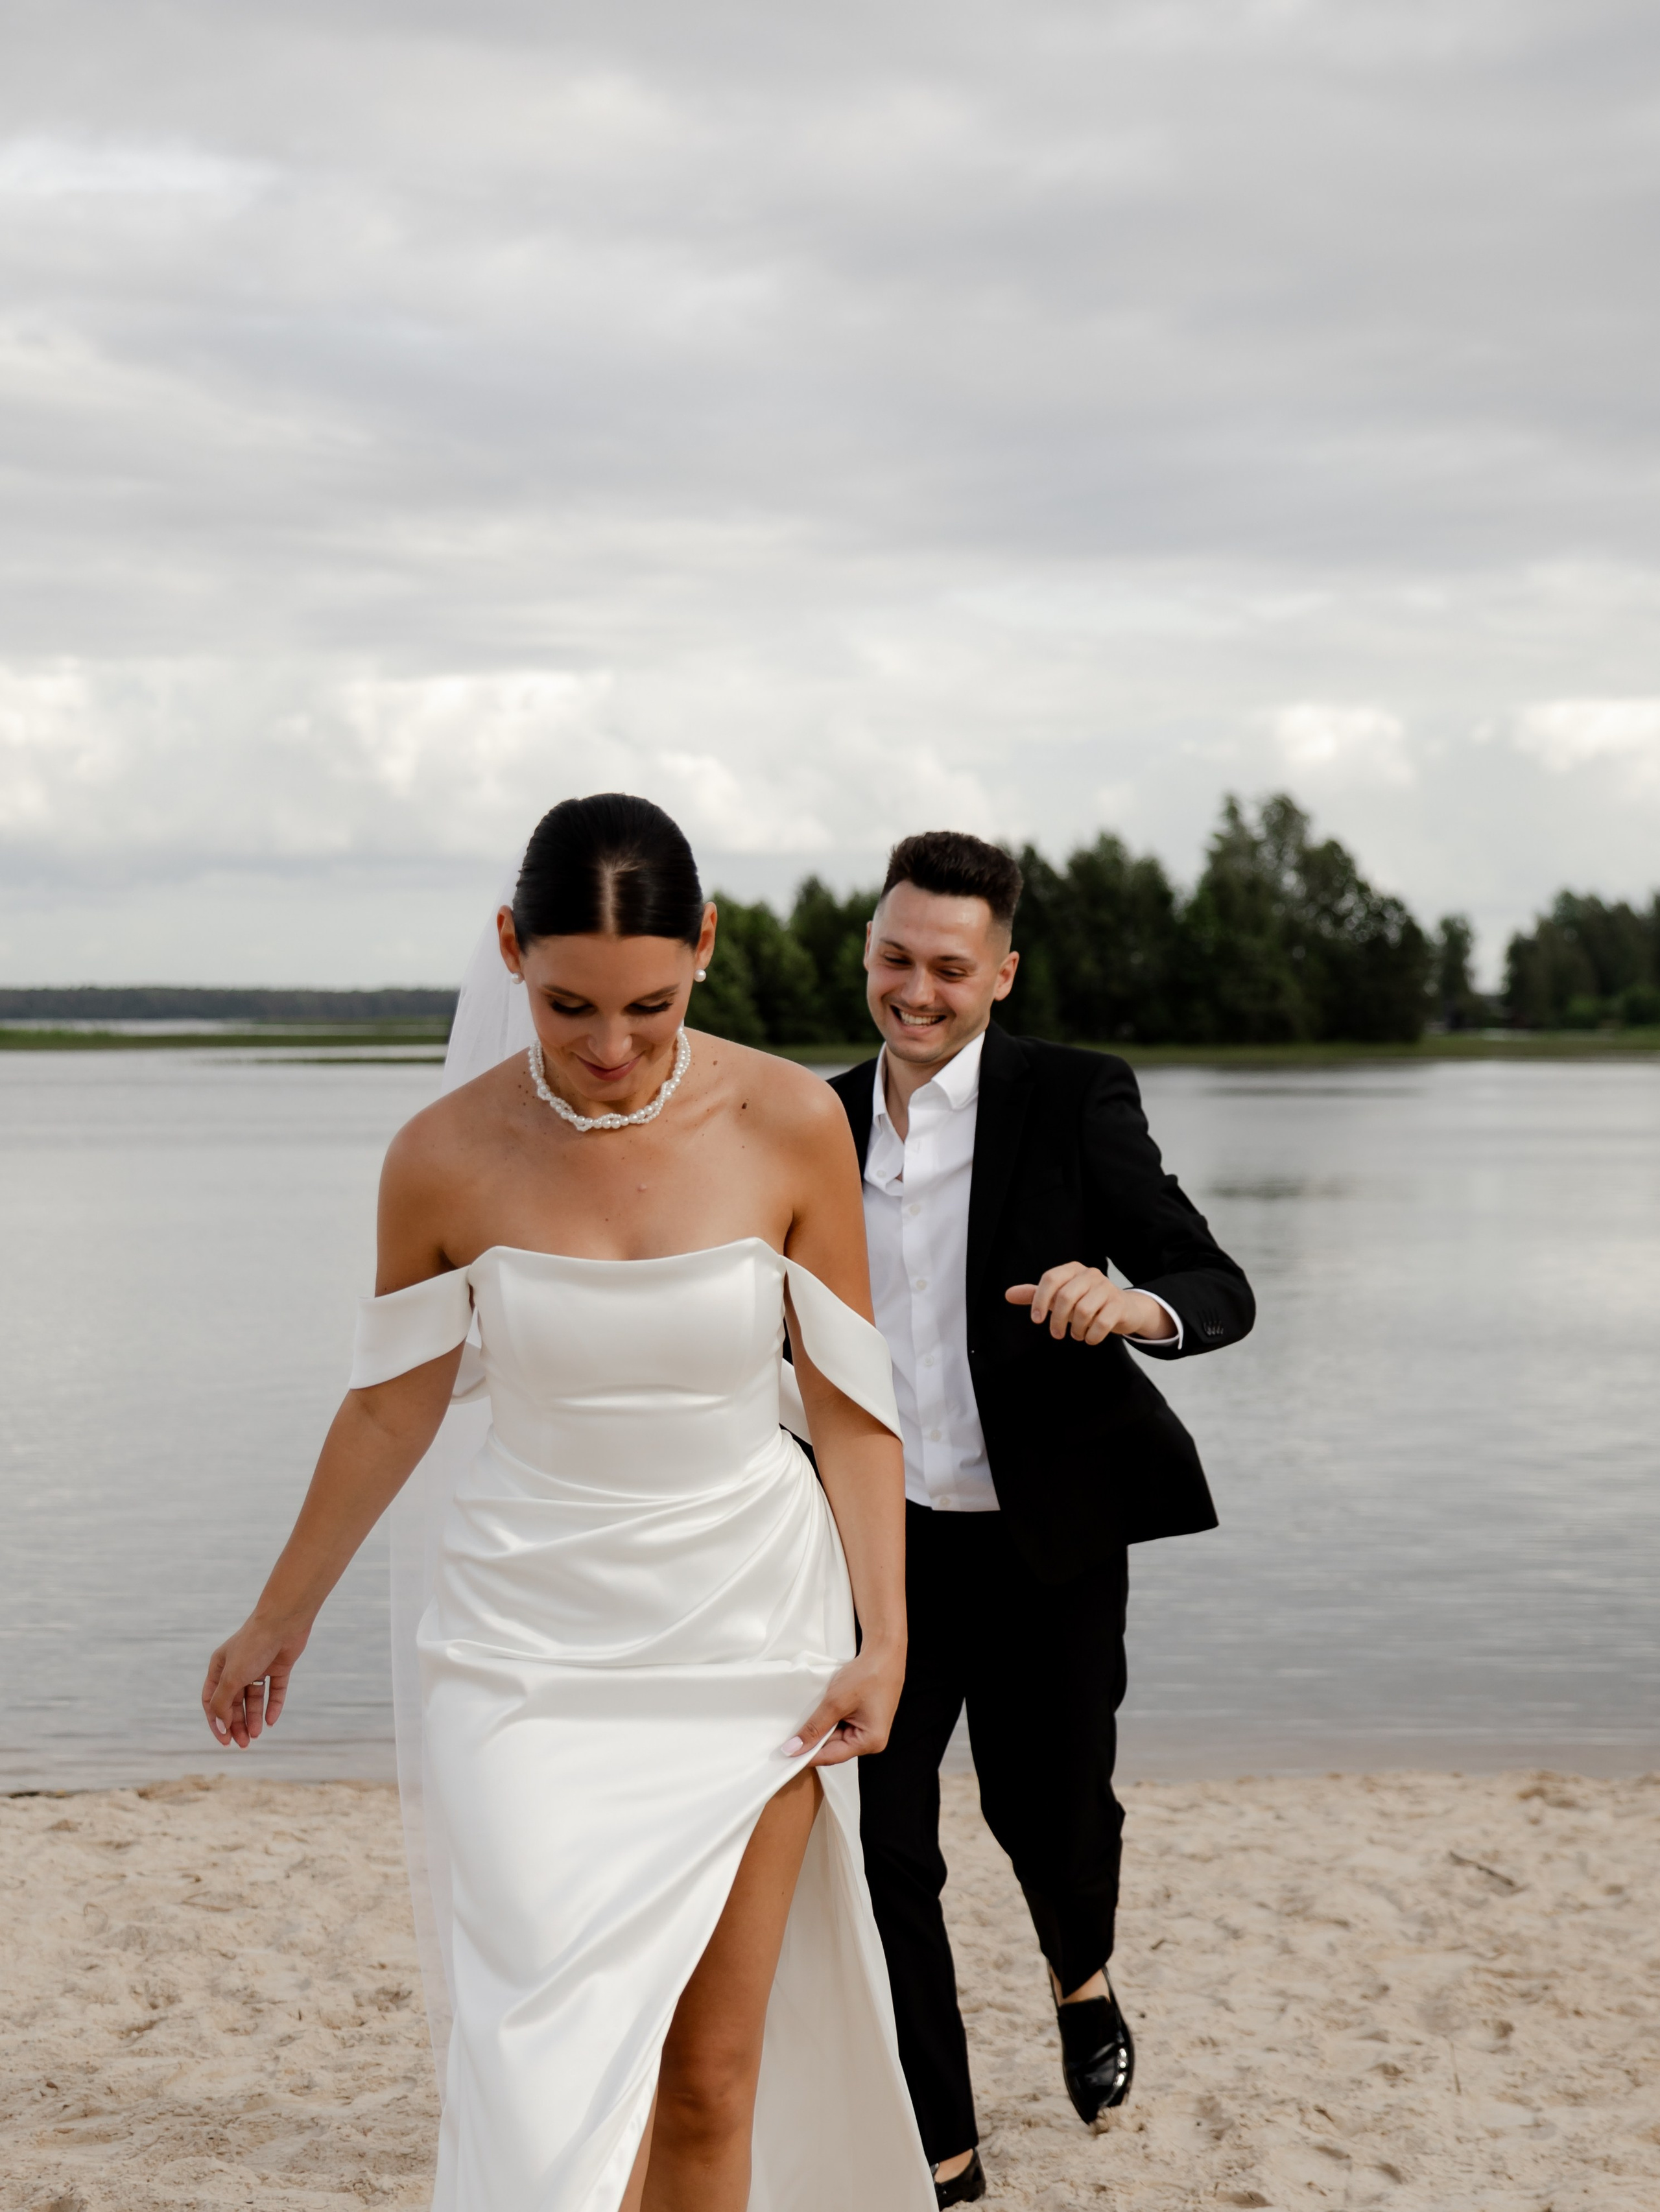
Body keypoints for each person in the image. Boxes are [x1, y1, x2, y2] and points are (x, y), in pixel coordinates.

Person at [202, 794, 936, 2212]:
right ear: (508, 953)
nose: (608, 1049)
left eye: (649, 1009)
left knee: (714, 2079)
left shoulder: (791, 1122)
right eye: (568, 1006)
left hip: (748, 1632)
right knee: (545, 2077)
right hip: (522, 1651)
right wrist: (275, 1616)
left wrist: (884, 1634)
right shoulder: (439, 1153)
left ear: (706, 948)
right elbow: (388, 1404)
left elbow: (849, 1401)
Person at [827, 830, 1255, 2207]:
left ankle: (1081, 1975)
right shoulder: (803, 1121)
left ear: (998, 974)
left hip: (1046, 1536)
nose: (916, 989)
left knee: (1050, 1809)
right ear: (870, 952)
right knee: (882, 1845)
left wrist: (1134, 1303)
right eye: (896, 957)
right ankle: (943, 2157)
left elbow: (1210, 1274)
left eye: (949, 967)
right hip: (875, 1546)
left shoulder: (1071, 1098)